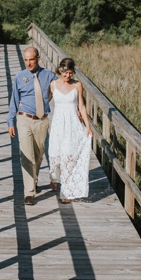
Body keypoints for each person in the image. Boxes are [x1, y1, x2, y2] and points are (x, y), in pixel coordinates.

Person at [7, 46, 57, 205]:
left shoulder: (49, 75)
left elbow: (64, 86)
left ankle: (33, 180)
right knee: (27, 155)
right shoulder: (20, 77)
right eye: (26, 60)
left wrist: (77, 106)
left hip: (42, 120)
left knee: (38, 154)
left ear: (38, 58)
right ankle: (29, 193)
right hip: (24, 119)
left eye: (31, 60)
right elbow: (14, 99)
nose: (28, 63)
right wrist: (10, 121)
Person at [47, 57, 93, 203]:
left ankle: (66, 192)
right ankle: (55, 178)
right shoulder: (53, 85)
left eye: (70, 73)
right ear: (60, 70)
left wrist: (88, 127)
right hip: (58, 125)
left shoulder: (77, 85)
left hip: (72, 125)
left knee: (69, 156)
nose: (67, 76)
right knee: (55, 155)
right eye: (65, 72)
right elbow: (45, 100)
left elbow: (82, 106)